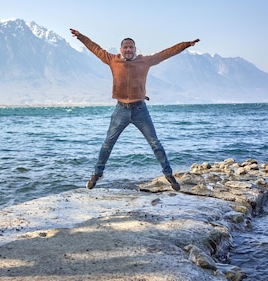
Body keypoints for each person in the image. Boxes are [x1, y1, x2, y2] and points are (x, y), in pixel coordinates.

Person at [70, 28, 200, 191]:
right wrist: (80, 36)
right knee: (107, 143)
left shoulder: (145, 61)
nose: (128, 49)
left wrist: (186, 44)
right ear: (121, 49)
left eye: (131, 47)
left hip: (140, 110)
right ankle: (97, 173)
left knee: (155, 143)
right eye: (125, 47)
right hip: (121, 110)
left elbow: (166, 53)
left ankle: (168, 175)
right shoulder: (112, 60)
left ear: (135, 49)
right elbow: (94, 48)